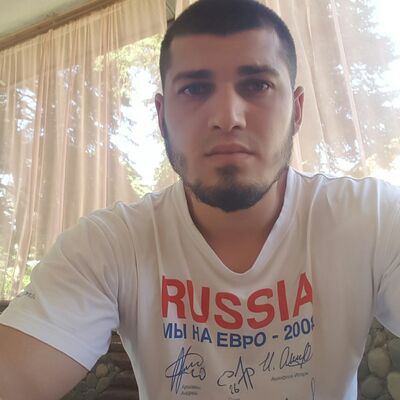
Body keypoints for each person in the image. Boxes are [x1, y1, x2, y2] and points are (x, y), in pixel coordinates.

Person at [0, 0, 399, 399]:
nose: (227, 117)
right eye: (194, 88)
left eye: (257, 85)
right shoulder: (107, 246)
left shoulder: (373, 220)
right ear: (161, 117)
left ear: (296, 111)